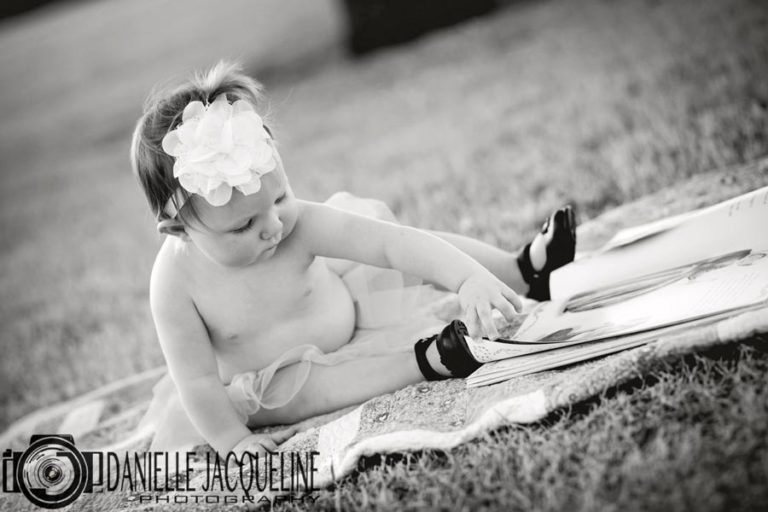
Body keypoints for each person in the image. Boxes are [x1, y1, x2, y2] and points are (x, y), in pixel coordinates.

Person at [130, 61, 576, 458]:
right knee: (299, 389)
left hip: (349, 314)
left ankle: (518, 272)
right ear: (179, 231)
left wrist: (465, 281)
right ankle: (429, 360)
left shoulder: (295, 223)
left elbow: (393, 243)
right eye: (243, 227)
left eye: (280, 197)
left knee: (404, 253)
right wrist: (232, 439)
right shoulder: (173, 284)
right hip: (270, 383)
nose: (273, 226)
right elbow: (197, 381)